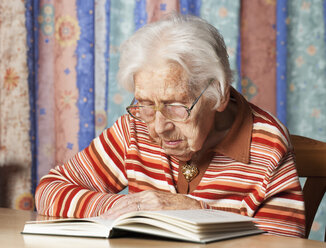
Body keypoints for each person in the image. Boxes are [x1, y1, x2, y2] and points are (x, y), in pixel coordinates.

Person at [35, 13, 305, 238]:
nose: (159, 127)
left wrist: (195, 211)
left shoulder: (266, 143)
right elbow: (50, 189)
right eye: (145, 103)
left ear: (219, 95)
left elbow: (283, 242)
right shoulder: (136, 126)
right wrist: (129, 206)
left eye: (175, 105)